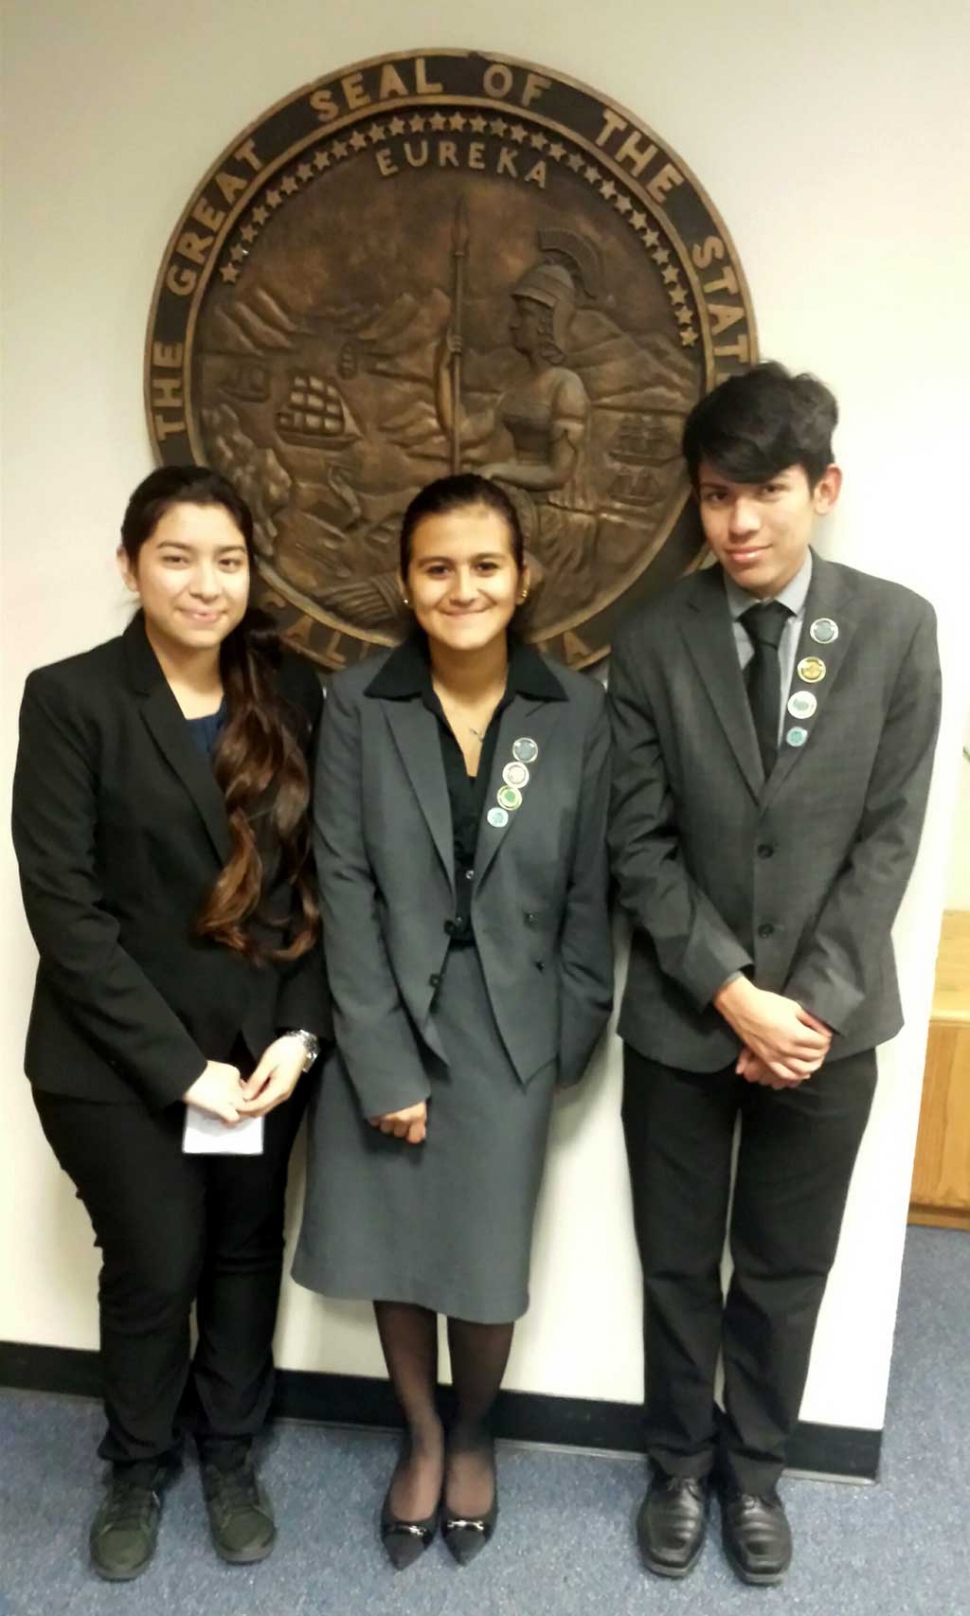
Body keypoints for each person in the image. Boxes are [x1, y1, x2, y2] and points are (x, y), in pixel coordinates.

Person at [607, 363, 941, 1586]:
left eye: (766, 491)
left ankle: (753, 1472)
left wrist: (803, 1008)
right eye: (715, 494)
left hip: (826, 1029)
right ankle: (676, 1466)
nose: (738, 520)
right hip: (684, 1015)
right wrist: (729, 989)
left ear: (822, 488)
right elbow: (635, 842)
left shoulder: (896, 627)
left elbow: (890, 836)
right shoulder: (652, 636)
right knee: (674, 1261)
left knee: (786, 1267)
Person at [12, 466, 330, 1581]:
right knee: (154, 1261)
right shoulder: (71, 698)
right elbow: (64, 909)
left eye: (228, 560)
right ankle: (137, 1462)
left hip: (259, 1051)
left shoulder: (291, 691)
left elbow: (317, 880)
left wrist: (299, 1033)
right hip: (113, 1061)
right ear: (130, 564)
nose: (206, 583)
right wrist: (177, 1067)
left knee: (244, 1252)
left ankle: (230, 1452)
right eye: (177, 557)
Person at [293, 472, 612, 1569]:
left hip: (516, 1024)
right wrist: (381, 1060)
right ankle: (421, 1435)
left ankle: (474, 1430)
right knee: (396, 1245)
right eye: (437, 567)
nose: (461, 588)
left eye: (485, 566)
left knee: (481, 1255)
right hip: (386, 1009)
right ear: (405, 582)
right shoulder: (358, 703)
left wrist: (571, 1033)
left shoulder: (576, 710)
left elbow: (590, 889)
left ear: (523, 579)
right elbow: (343, 881)